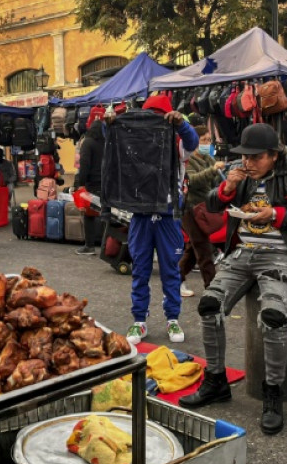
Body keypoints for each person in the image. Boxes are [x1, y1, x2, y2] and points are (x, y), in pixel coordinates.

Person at [178, 123, 287, 436]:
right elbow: (213, 204)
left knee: (273, 317)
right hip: (242, 253)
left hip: (283, 256)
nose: (247, 163)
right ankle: (216, 380)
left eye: (255, 157)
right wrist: (227, 188)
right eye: (244, 156)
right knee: (208, 305)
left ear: (274, 155)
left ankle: (273, 391)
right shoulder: (240, 172)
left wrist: (276, 215)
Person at [118, 95, 199, 345]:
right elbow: (112, 142)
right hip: (141, 216)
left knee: (170, 271)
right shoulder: (134, 143)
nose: (152, 123)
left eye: (158, 117)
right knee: (140, 270)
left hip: (167, 216)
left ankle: (172, 318)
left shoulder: (177, 143)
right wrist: (109, 123)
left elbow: (192, 142)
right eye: (148, 117)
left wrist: (181, 124)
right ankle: (139, 321)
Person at [178, 123, 223, 295]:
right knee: (203, 248)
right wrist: (213, 171)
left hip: (204, 209)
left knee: (193, 249)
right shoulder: (188, 160)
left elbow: (215, 182)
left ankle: (177, 280)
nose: (207, 143)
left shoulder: (207, 159)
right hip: (190, 209)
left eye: (209, 140)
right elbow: (192, 181)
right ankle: (212, 288)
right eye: (204, 140)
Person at [73, 112, 105, 255]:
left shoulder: (88, 142)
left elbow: (84, 164)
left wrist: (81, 183)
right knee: (107, 215)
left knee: (89, 215)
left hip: (92, 183)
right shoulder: (106, 142)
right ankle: (106, 246)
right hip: (107, 183)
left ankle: (89, 246)